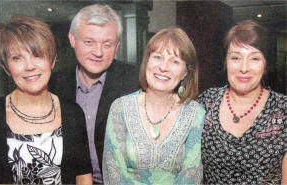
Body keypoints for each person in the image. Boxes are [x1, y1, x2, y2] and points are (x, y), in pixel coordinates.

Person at [0, 15, 93, 184]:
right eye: (17, 58)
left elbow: (83, 177)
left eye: (37, 55)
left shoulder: (72, 112)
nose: (29, 66)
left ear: (52, 61)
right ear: (6, 67)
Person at [48, 4, 139, 184]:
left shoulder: (135, 83)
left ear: (117, 46)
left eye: (107, 44)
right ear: (72, 39)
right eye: (89, 42)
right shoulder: (53, 85)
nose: (98, 52)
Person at [102, 28, 205, 184]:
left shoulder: (195, 113)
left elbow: (191, 174)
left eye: (175, 61)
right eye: (157, 57)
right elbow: (113, 172)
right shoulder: (120, 108)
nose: (163, 67)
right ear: (147, 61)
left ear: (185, 73)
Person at [198, 20, 287, 184]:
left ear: (266, 64)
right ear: (226, 61)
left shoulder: (283, 111)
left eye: (254, 58)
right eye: (236, 58)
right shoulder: (206, 103)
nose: (244, 68)